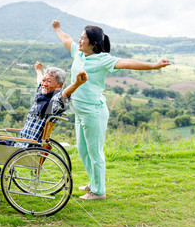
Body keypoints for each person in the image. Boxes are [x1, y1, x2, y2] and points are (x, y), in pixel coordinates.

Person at [52, 20, 171, 200]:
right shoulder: (79, 52)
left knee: (95, 152)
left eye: (83, 38)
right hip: (80, 111)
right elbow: (67, 39)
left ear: (93, 43)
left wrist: (153, 65)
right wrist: (57, 29)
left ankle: (99, 191)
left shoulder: (103, 59)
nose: (79, 40)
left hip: (94, 112)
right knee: (84, 151)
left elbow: (127, 62)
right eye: (80, 37)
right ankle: (93, 182)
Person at [0, 62, 88, 203]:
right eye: (44, 80)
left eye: (49, 81)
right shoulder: (42, 97)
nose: (44, 84)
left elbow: (64, 95)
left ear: (59, 85)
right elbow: (40, 83)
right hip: (21, 142)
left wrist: (77, 84)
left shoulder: (54, 101)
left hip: (26, 147)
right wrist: (38, 71)